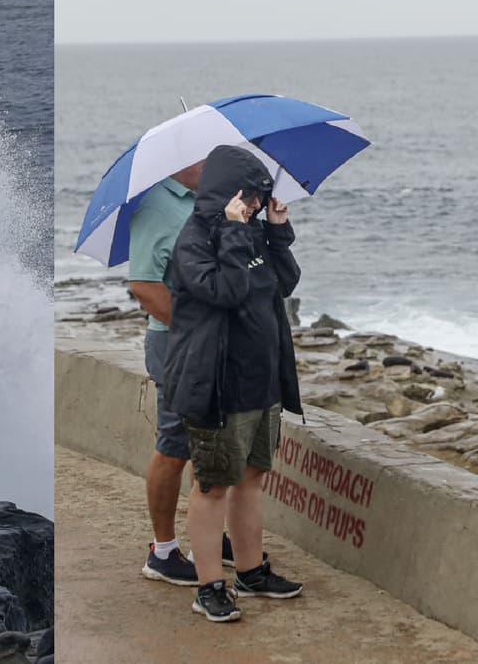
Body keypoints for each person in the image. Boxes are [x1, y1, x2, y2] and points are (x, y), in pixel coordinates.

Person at [163, 144, 305, 622]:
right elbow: (226, 290)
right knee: (212, 486)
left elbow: (284, 283)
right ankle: (209, 585)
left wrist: (277, 231)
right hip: (218, 386)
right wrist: (231, 230)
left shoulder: (253, 231)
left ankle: (251, 570)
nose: (257, 205)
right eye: (251, 197)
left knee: (251, 479)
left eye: (262, 198)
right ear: (228, 195)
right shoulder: (196, 239)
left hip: (262, 382)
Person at [129, 160, 269, 586]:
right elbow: (144, 285)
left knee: (208, 437)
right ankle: (163, 550)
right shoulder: (157, 205)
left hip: (211, 343)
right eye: (204, 159)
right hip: (175, 344)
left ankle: (203, 539)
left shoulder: (207, 203)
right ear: (179, 161)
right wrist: (197, 327)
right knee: (174, 444)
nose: (211, 165)